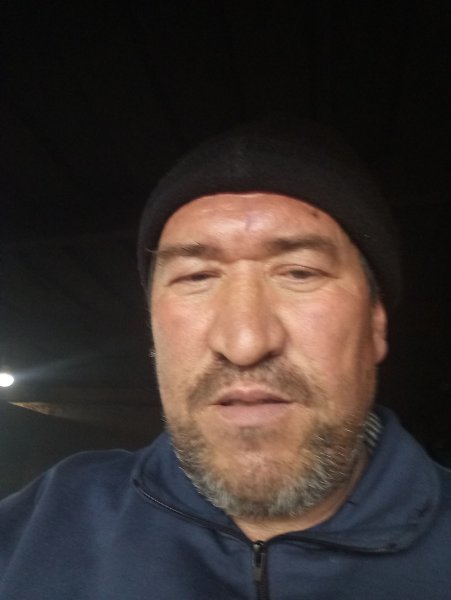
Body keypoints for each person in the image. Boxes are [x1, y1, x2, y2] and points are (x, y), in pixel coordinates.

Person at [1, 118, 450, 599]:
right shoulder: (35, 529)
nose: (245, 342)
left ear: (376, 325)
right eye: (196, 277)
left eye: (300, 273)